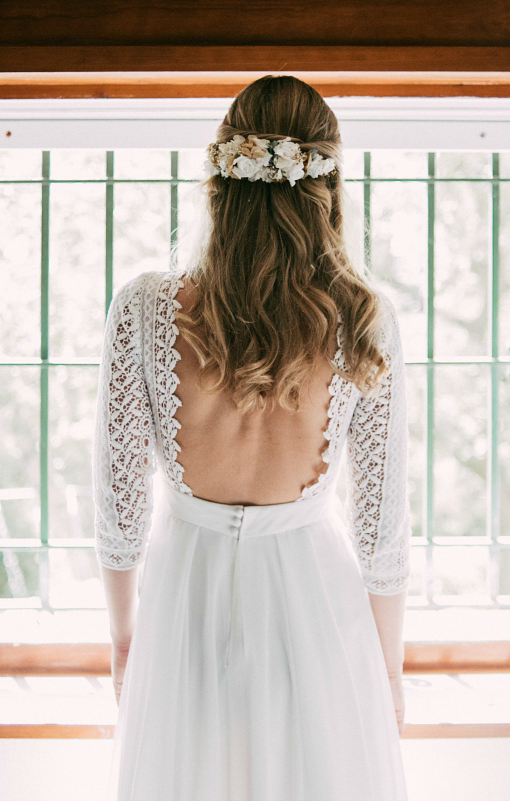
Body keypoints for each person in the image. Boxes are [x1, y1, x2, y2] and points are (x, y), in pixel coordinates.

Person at [93, 74, 410, 801]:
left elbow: (119, 506)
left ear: (220, 173)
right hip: (313, 602)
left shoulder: (143, 307)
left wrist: (123, 638)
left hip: (186, 597)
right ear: (326, 183)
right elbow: (381, 527)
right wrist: (386, 672)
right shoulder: (362, 318)